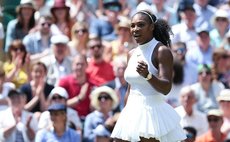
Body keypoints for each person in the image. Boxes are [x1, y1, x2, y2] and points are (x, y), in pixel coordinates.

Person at [111, 10, 186, 142]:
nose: (135, 29)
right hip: (131, 113)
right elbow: (130, 88)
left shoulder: (161, 51)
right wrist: (125, 112)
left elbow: (166, 88)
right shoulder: (131, 53)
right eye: (132, 25)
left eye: (141, 25)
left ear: (151, 27)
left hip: (152, 115)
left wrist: (148, 75)